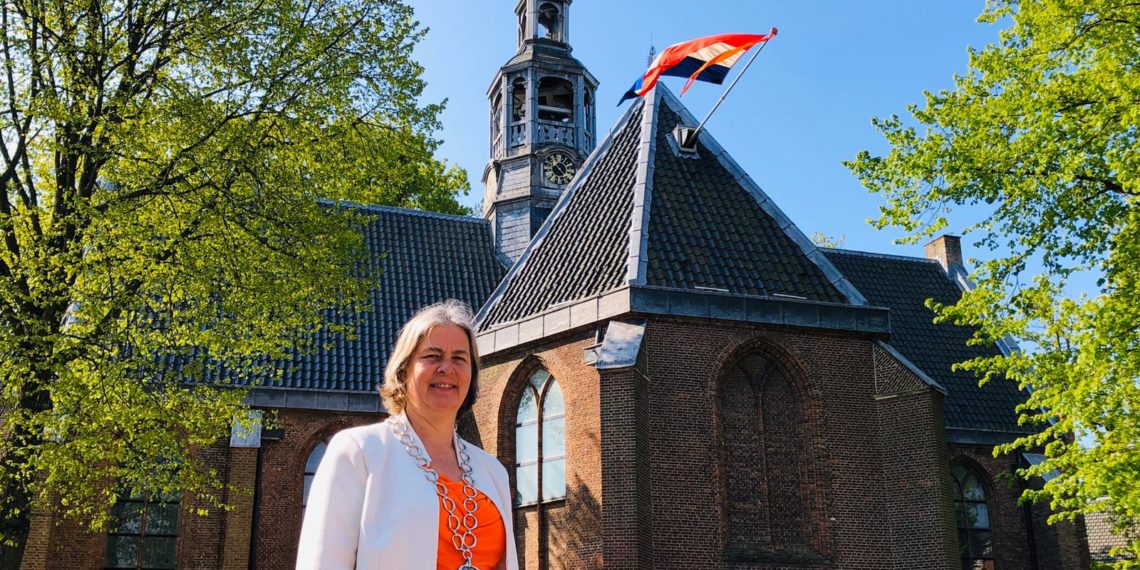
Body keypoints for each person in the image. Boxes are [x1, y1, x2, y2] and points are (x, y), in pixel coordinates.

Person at [297, 300, 518, 569]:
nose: (446, 368)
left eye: (459, 358)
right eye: (432, 356)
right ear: (403, 371)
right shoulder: (360, 452)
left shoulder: (493, 472)